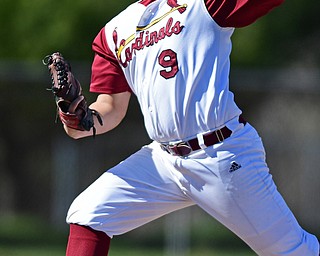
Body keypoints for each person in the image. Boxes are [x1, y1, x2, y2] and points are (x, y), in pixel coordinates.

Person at [63, 0, 320, 255]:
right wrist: (79, 120)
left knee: (295, 251)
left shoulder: (203, 4)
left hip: (220, 152)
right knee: (89, 212)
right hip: (162, 161)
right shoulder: (113, 32)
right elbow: (111, 107)